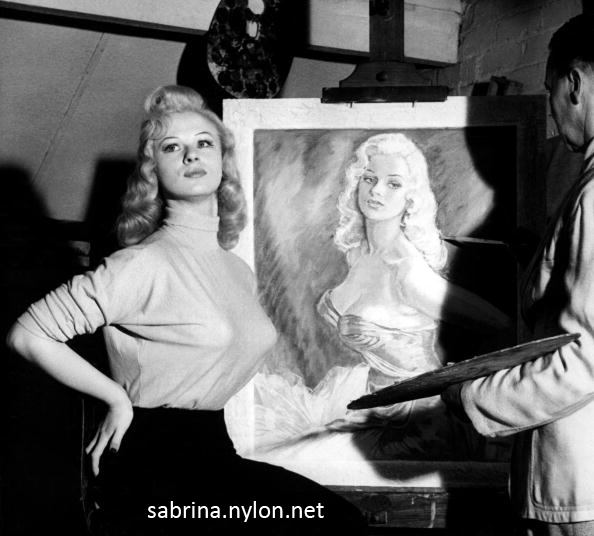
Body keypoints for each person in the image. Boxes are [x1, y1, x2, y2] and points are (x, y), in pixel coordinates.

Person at [6, 85, 367, 536]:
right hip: (151, 473)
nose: (191, 154)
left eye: (204, 143)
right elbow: (27, 334)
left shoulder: (236, 270)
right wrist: (115, 397)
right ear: (152, 171)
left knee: (335, 520)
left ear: (223, 160)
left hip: (212, 456)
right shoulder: (141, 263)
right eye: (171, 147)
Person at [251, 133, 511, 462]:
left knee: (304, 455)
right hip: (368, 398)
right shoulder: (358, 253)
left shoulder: (408, 273)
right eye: (369, 178)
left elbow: (501, 325)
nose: (376, 191)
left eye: (393, 184)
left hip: (413, 418)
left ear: (411, 198)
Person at [441, 13, 594, 536]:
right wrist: (543, 258)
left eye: (550, 91)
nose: (551, 109)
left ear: (574, 83)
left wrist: (472, 397)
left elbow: (584, 360)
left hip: (579, 483)